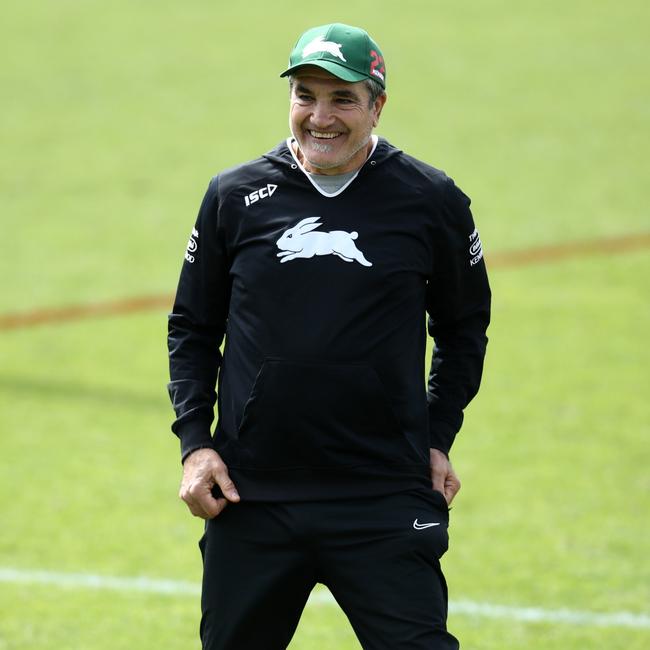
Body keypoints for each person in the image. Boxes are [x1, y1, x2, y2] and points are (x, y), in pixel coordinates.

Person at [167, 22, 490, 650]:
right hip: (251, 494)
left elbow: (463, 326)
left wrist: (437, 432)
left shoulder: (431, 199)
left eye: (342, 98)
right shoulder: (234, 197)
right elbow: (193, 327)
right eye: (305, 96)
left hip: (382, 494)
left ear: (377, 105)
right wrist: (194, 444)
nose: (320, 117)